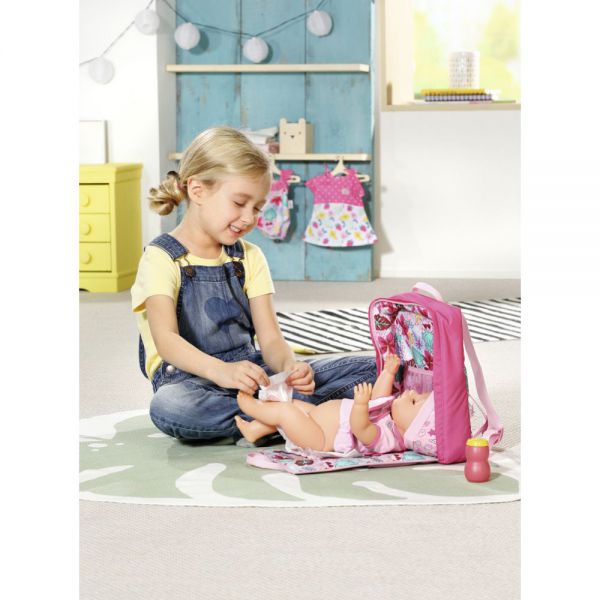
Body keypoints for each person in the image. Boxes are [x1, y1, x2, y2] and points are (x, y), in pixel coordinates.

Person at [131, 126, 377, 443]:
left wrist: (290, 367)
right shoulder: (161, 258)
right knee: (170, 407)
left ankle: (279, 417)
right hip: (191, 381)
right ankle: (295, 417)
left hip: (255, 377)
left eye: (258, 207)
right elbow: (166, 341)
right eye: (239, 203)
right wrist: (221, 372)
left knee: (374, 368)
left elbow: (270, 339)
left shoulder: (250, 257)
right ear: (197, 190)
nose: (249, 218)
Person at [235, 353, 430, 454]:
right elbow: (378, 399)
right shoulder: (393, 416)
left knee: (286, 411)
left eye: (414, 401)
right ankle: (255, 430)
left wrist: (360, 406)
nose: (412, 392)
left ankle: (251, 407)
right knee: (292, 403)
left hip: (319, 438)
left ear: (412, 429)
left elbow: (361, 429)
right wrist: (388, 373)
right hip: (317, 418)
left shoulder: (389, 439)